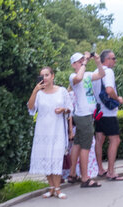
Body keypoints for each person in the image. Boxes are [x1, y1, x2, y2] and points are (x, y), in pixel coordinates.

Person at [27, 65, 72, 199]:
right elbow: (30, 108)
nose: (45, 78)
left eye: (47, 75)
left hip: (57, 130)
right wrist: (34, 91)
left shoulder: (62, 91)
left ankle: (58, 188)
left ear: (52, 76)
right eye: (42, 76)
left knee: (56, 158)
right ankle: (51, 188)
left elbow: (70, 108)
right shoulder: (39, 94)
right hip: (43, 131)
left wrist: (63, 109)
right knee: (46, 159)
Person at [67, 51, 103, 188]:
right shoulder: (73, 76)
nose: (83, 62)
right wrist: (86, 62)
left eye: (83, 59)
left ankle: (72, 174)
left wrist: (98, 61)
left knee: (77, 144)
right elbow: (79, 77)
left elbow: (101, 75)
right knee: (86, 147)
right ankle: (85, 178)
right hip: (83, 115)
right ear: (73, 64)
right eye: (80, 60)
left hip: (87, 114)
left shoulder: (88, 75)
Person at [92, 49, 123, 180]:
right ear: (107, 60)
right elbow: (109, 89)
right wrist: (118, 99)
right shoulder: (108, 72)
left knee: (99, 140)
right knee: (115, 140)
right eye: (113, 58)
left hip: (98, 111)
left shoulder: (95, 73)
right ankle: (111, 172)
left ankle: (100, 169)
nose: (115, 61)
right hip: (108, 112)